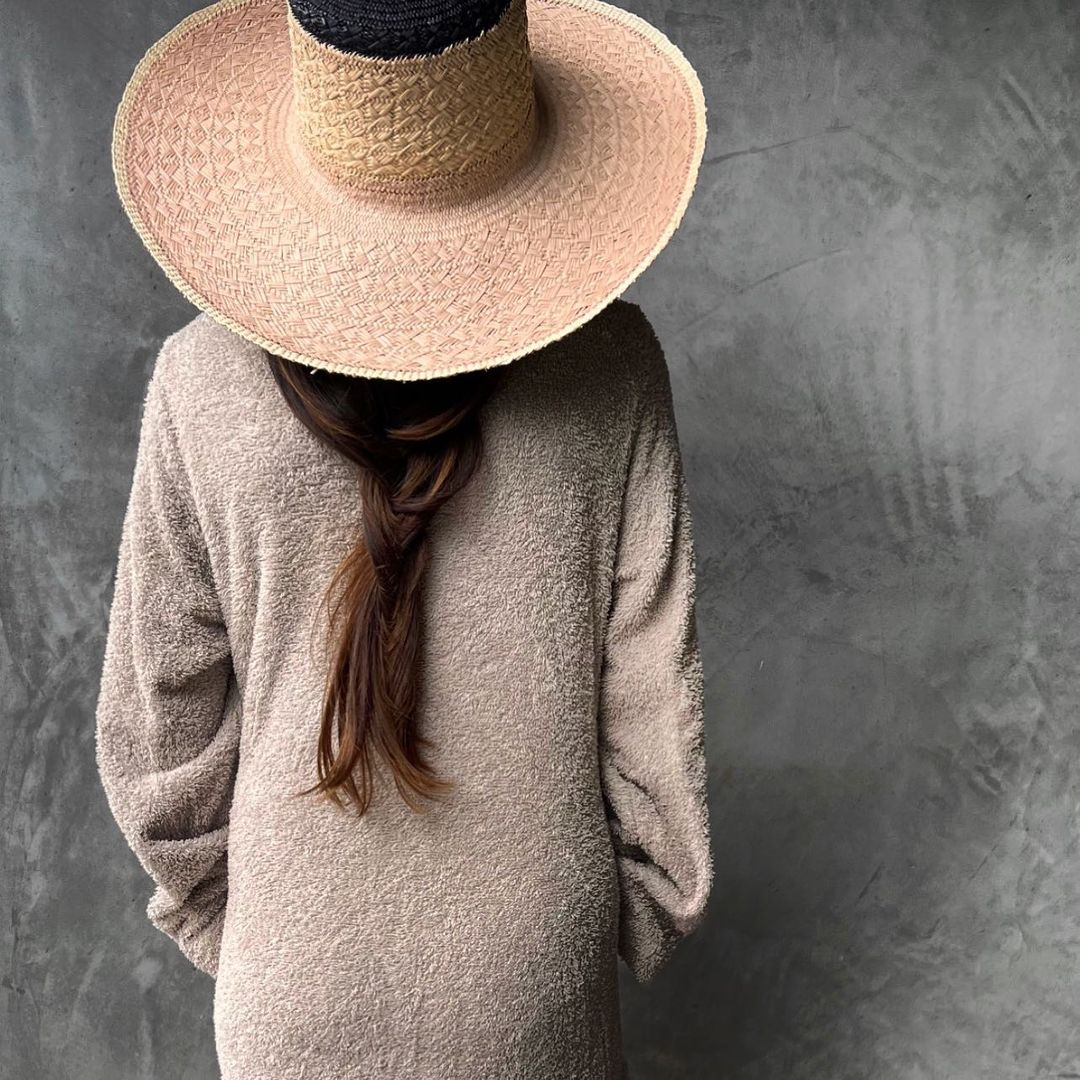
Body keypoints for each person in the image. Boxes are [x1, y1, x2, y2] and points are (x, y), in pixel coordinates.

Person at [94, 0, 713, 1076]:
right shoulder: (610, 367)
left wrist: (259, 934)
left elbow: (155, 726)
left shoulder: (198, 380)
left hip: (288, 979)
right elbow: (659, 692)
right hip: (534, 980)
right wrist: (597, 926)